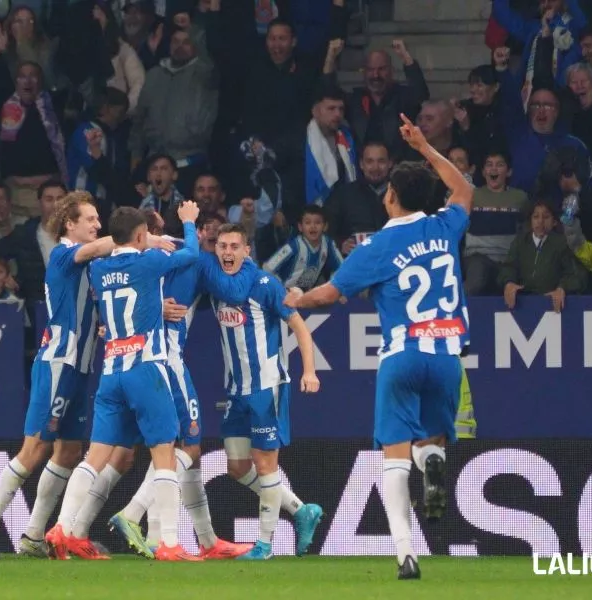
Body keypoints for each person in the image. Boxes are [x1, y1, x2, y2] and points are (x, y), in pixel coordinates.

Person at [284, 114, 474, 579]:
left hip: (402, 353)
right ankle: (432, 464)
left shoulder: (377, 247)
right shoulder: (444, 227)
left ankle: (406, 554)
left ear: (390, 198)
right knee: (432, 439)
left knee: (393, 453)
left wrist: (297, 299)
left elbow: (330, 294)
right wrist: (426, 147)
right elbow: (466, 188)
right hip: (447, 355)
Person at [0, 192, 172, 559]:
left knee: (68, 452)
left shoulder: (94, 265)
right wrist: (145, 238)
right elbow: (104, 246)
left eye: (99, 220)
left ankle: (34, 534)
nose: (97, 225)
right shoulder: (64, 255)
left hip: (82, 368)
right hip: (57, 364)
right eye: (91, 219)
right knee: (33, 449)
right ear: (70, 224)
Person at [46, 202, 203, 562]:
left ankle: (62, 528)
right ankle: (169, 544)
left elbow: (114, 254)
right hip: (146, 367)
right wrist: (189, 224)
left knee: (94, 456)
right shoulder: (148, 262)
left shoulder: (99, 268)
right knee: (165, 453)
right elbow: (191, 254)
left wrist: (148, 240)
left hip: (111, 371)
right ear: (139, 235)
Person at [109, 215, 258, 560]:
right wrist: (249, 264)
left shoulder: (138, 260)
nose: (223, 249)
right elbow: (235, 290)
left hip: (132, 360)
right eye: (220, 242)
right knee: (187, 450)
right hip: (166, 360)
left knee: (176, 451)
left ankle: (198, 540)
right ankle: (133, 515)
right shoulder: (192, 259)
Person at [208, 223, 323, 560]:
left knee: (264, 463)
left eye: (234, 246)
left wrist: (310, 371)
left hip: (266, 386)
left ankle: (265, 545)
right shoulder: (216, 284)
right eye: (222, 246)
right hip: (235, 390)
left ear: (247, 251)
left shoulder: (264, 284)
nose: (227, 252)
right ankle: (301, 509)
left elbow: (299, 327)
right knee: (238, 467)